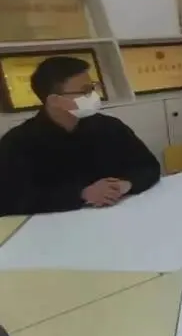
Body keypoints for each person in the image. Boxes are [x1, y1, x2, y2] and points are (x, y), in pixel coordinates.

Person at [0, 56, 160, 216]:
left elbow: (149, 166)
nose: (94, 95)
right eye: (85, 91)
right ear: (55, 101)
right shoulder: (17, 143)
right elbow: (10, 200)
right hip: (57, 225)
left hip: (117, 215)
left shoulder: (110, 127)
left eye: (93, 87)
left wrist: (126, 184)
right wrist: (81, 195)